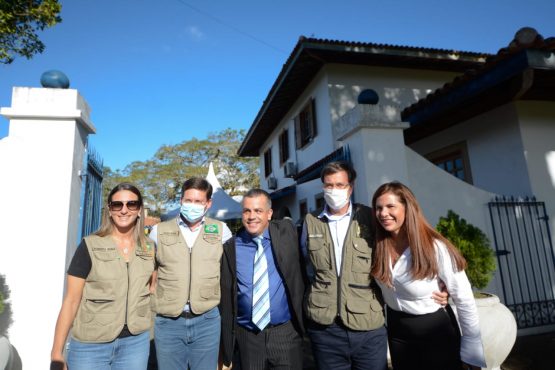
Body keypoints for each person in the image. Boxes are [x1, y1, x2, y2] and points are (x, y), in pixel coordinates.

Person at [371, 181, 486, 370]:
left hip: (436, 331)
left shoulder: (434, 247)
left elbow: (464, 298)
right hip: (397, 331)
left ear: (408, 208)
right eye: (378, 208)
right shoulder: (377, 246)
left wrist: (472, 350)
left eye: (391, 206)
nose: (383, 213)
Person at [50, 183, 156, 370]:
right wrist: (56, 354)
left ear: (139, 210)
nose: (124, 210)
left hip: (135, 344)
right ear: (109, 210)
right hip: (91, 346)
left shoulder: (149, 248)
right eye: (117, 205)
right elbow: (72, 301)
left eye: (131, 204)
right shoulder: (89, 245)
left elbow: (150, 289)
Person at [300, 161, 388, 370]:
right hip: (325, 329)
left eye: (340, 185)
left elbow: (393, 260)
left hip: (368, 326)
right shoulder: (310, 221)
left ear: (351, 186)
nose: (334, 191)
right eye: (329, 185)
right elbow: (301, 266)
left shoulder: (370, 218)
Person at [150, 177, 232, 370]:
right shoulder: (158, 231)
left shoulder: (222, 230)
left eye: (198, 201)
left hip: (207, 320)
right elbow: (148, 269)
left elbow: (229, 271)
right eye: (188, 200)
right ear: (181, 200)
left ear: (208, 204)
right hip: (168, 320)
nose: (192, 205)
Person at [220, 189, 305, 370]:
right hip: (248, 336)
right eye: (247, 211)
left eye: (258, 211)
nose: (252, 216)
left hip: (284, 333)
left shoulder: (287, 234)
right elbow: (226, 294)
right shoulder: (231, 248)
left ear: (269, 214)